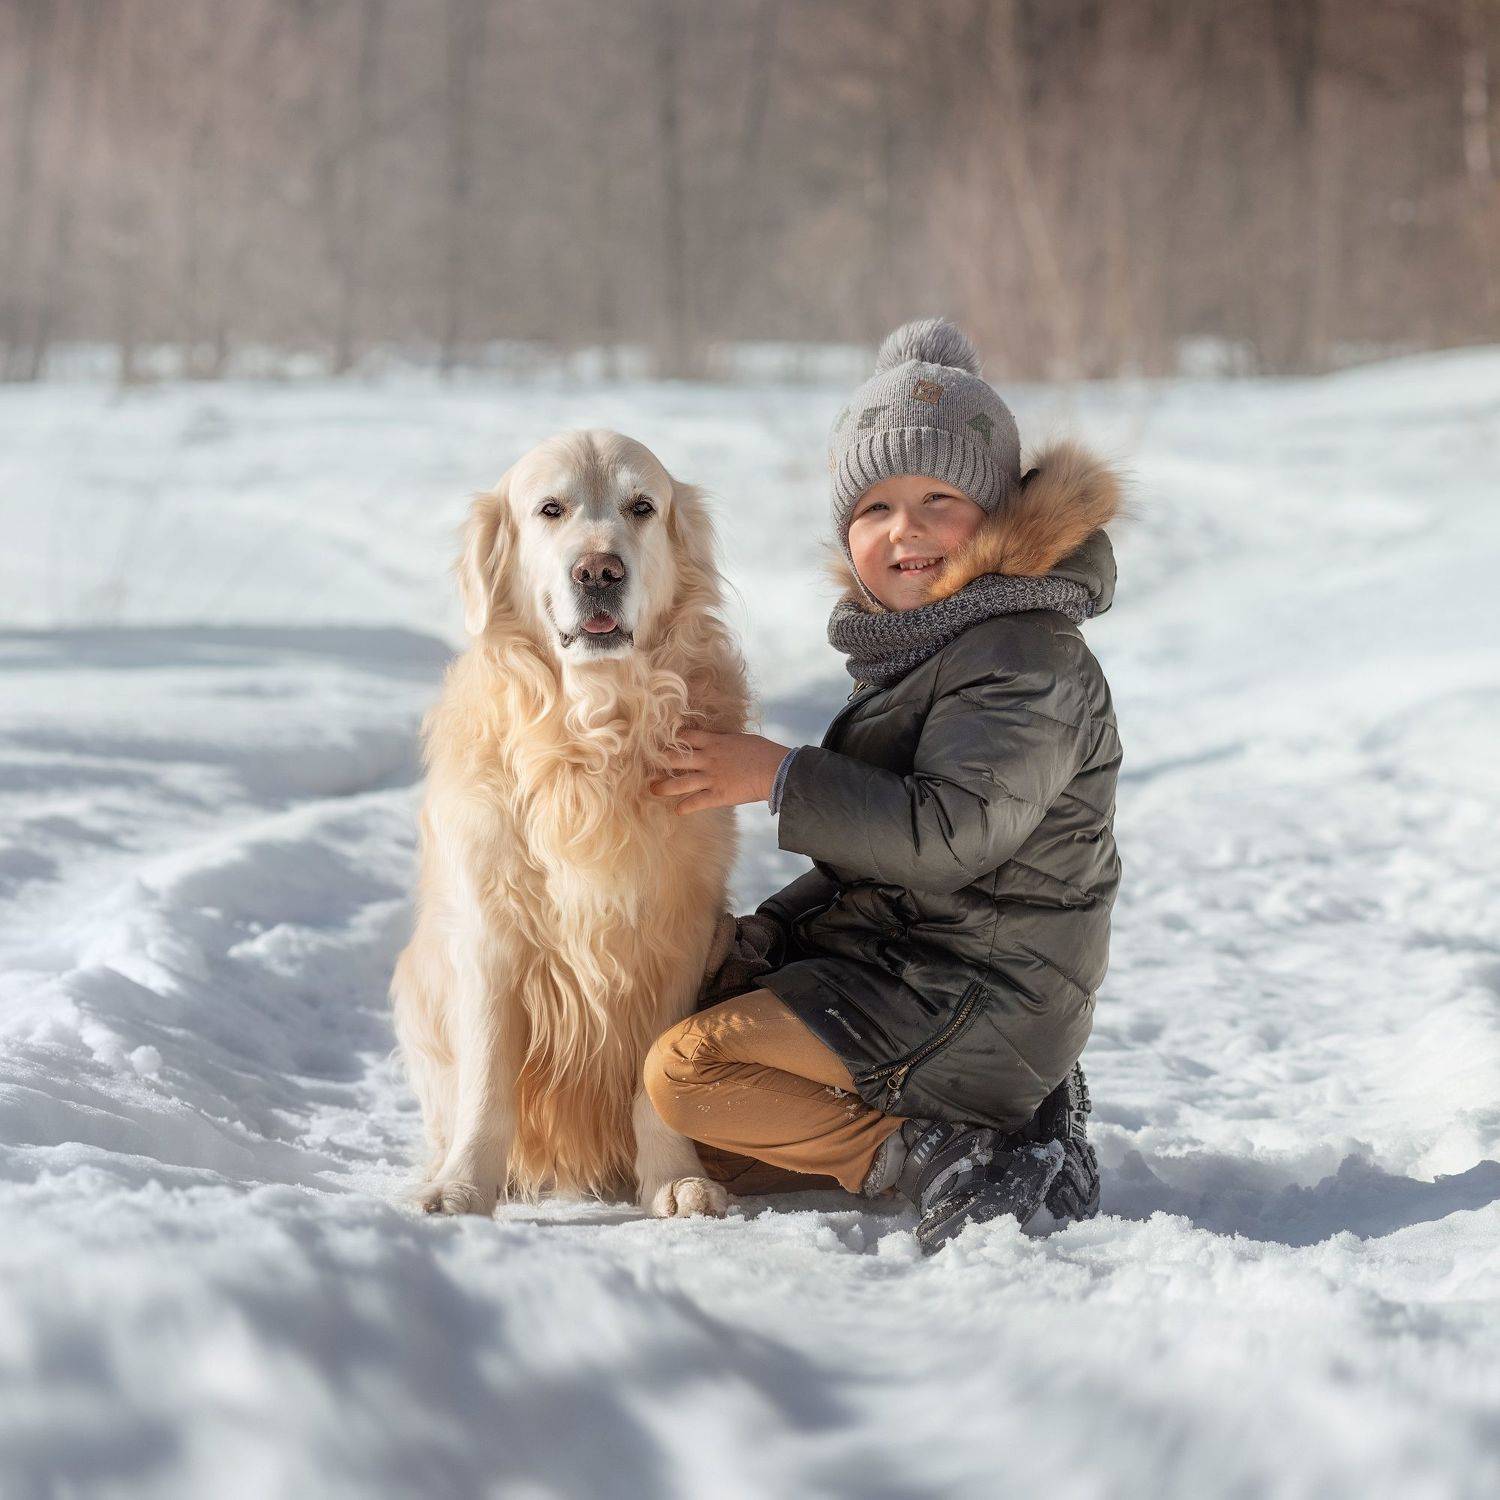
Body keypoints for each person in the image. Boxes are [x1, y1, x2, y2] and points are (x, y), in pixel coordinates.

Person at [645, 316, 1125, 1253]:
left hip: (981, 992)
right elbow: (870, 865)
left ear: (996, 513)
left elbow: (949, 837)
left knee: (684, 1076)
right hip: (919, 972)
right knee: (703, 1148)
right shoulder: (936, 648)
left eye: (939, 497)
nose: (904, 530)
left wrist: (780, 775)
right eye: (874, 509)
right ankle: (977, 1122)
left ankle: (950, 1144)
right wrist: (768, 934)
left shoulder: (1024, 655)